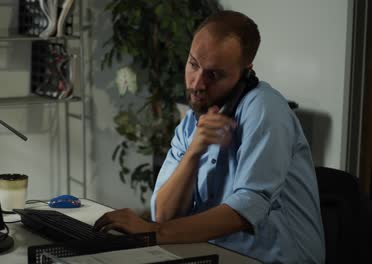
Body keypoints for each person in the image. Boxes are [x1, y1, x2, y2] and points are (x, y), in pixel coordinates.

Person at [94, 10, 325, 263]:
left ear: (245, 72)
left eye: (214, 75)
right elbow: (164, 214)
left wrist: (151, 232)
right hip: (214, 255)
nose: (197, 84)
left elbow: (246, 208)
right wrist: (195, 150)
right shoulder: (193, 120)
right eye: (193, 64)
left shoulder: (265, 109)